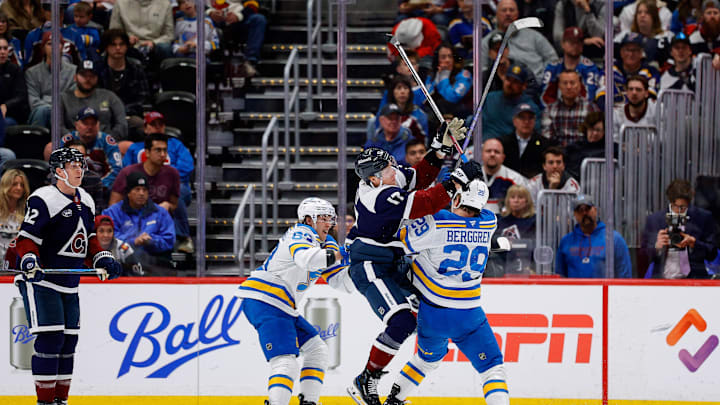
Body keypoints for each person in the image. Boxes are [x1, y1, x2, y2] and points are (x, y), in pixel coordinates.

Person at [346, 123, 483, 405]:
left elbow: (419, 177)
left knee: (424, 320)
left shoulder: (387, 180)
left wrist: (440, 147)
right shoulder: (378, 197)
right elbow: (425, 202)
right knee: (401, 320)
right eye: (386, 169)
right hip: (371, 264)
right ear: (373, 178)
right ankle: (366, 379)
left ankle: (396, 393)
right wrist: (458, 179)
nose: (394, 170)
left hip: (393, 263)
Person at [7, 147, 122, 405]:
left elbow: (88, 238)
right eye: (72, 165)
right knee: (51, 339)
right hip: (42, 282)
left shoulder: (87, 200)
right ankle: (45, 402)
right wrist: (29, 258)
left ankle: (61, 400)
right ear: (59, 170)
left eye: (80, 165)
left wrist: (102, 257)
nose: (79, 169)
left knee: (68, 343)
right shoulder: (43, 198)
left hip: (70, 283)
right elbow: (26, 239)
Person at [383, 179, 510, 405]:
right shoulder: (489, 222)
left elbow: (402, 240)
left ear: (458, 198)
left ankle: (394, 400)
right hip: (469, 313)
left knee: (426, 361)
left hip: (433, 313)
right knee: (492, 369)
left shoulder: (438, 221)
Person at [238, 198, 352, 405]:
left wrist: (364, 267)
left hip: (282, 306)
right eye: (324, 218)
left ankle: (308, 401)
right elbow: (307, 259)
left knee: (317, 350)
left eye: (331, 218)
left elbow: (341, 283)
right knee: (285, 362)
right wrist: (343, 253)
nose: (329, 223)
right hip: (266, 299)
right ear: (309, 219)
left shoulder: (326, 244)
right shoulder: (301, 232)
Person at [110, 133, 193, 254]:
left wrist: (168, 206)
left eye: (165, 150)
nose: (163, 154)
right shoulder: (128, 172)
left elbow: (175, 203)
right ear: (147, 153)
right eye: (158, 150)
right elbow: (113, 206)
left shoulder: (172, 173)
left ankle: (183, 238)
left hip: (157, 226)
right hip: (130, 224)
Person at [642, 179, 718, 278]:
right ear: (670, 201)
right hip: (662, 281)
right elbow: (642, 258)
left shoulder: (703, 218)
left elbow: (713, 254)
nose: (678, 211)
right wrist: (656, 247)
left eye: (683, 207)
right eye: (675, 206)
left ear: (689, 202)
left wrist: (694, 243)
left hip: (694, 280)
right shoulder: (655, 220)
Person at [102, 171, 175, 268]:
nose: (141, 193)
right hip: (122, 263)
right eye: (137, 189)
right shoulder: (111, 213)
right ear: (128, 193)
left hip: (154, 262)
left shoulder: (160, 213)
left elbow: (169, 240)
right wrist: (134, 241)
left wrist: (152, 241)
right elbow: (107, 239)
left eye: (144, 190)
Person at [122, 111, 194, 206]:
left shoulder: (176, 145)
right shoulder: (135, 148)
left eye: (161, 124)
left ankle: (178, 221)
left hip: (172, 185)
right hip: (143, 186)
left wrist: (163, 178)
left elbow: (186, 167)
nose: (158, 127)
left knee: (178, 191)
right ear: (145, 128)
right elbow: (126, 171)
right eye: (153, 124)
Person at [47, 107, 122, 193]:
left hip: (101, 188)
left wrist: (97, 185)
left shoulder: (107, 142)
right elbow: (58, 166)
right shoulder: (67, 141)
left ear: (98, 125)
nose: (89, 127)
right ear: (76, 125)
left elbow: (116, 170)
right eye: (85, 123)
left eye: (93, 123)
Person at [555, 194, 632, 278]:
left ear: (595, 210)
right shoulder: (566, 242)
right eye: (580, 210)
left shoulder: (614, 239)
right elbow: (560, 276)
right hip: (574, 291)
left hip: (604, 291)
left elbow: (624, 276)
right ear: (575, 215)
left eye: (587, 209)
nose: (584, 213)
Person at [481, 0, 558, 81]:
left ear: (517, 14)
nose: (508, 14)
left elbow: (553, 60)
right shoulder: (486, 42)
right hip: (504, 88)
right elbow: (483, 71)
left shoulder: (534, 36)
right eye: (504, 10)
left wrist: (542, 79)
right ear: (496, 14)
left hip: (537, 84)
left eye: (512, 10)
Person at [61, 59, 128, 142]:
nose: (88, 79)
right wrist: (74, 140)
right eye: (83, 75)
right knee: (50, 148)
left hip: (105, 143)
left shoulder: (109, 96)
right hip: (73, 143)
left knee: (126, 145)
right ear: (75, 77)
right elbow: (58, 126)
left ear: (97, 78)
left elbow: (122, 124)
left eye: (92, 75)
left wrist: (107, 140)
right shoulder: (63, 98)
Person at [97, 29, 150, 124]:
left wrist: (122, 111)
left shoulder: (136, 68)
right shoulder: (98, 68)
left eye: (121, 44)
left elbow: (143, 98)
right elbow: (94, 97)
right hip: (102, 115)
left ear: (127, 47)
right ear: (106, 47)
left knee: (139, 124)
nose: (118, 48)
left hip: (130, 114)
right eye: (113, 45)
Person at [596, 33, 660, 109]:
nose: (631, 54)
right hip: (613, 114)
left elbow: (650, 98)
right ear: (621, 52)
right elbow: (601, 96)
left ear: (641, 53)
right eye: (627, 50)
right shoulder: (609, 70)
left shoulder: (651, 72)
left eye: (635, 50)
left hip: (640, 115)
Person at [24, 32, 76, 128]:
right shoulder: (32, 73)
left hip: (65, 114)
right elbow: (34, 102)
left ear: (62, 47)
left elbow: (71, 100)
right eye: (49, 44)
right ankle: (35, 142)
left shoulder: (74, 71)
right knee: (41, 111)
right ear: (43, 48)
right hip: (41, 113)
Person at [541, 27, 603, 106]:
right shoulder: (552, 67)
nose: (575, 45)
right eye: (571, 42)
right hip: (554, 112)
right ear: (562, 44)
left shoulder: (590, 68)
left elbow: (590, 97)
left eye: (579, 42)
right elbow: (544, 97)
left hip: (581, 112)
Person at [482, 63, 541, 139]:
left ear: (524, 86)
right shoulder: (490, 98)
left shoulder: (530, 108)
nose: (509, 84)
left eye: (515, 81)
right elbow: (476, 120)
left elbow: (533, 136)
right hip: (483, 144)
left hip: (510, 148)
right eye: (508, 79)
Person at [541, 69, 600, 147]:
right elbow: (547, 138)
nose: (568, 87)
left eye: (572, 83)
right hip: (559, 154)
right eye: (565, 83)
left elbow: (595, 137)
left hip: (583, 152)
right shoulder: (549, 110)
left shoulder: (591, 108)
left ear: (579, 85)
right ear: (559, 86)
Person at [109, 0, 174, 64]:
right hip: (129, 44)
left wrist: (154, 42)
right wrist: (126, 39)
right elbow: (114, 32)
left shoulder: (165, 4)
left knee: (165, 48)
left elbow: (169, 34)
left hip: (155, 44)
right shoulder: (120, 3)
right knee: (117, 47)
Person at [499, 103, 553, 179]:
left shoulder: (545, 144)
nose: (526, 122)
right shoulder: (503, 143)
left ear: (535, 121)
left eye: (530, 118)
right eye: (522, 118)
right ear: (514, 121)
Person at [614, 0, 674, 65]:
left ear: (654, 17)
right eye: (639, 12)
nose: (642, 15)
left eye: (647, 13)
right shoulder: (625, 36)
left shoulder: (666, 37)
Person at [480, 138, 529, 214]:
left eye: (497, 152)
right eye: (488, 151)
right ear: (482, 155)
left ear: (503, 157)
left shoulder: (516, 179)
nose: (492, 154)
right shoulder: (471, 178)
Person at [424, 43, 473, 120]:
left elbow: (452, 98)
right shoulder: (432, 75)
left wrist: (444, 75)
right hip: (435, 116)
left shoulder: (464, 75)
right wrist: (437, 77)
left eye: (450, 56)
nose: (447, 60)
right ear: (437, 60)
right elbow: (426, 99)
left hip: (459, 116)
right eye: (443, 57)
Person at [374, 76, 429, 143]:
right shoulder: (382, 113)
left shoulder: (420, 114)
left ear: (410, 92)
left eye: (405, 88)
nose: (402, 92)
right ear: (393, 92)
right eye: (398, 88)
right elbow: (378, 137)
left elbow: (424, 140)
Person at [565, 111, 615, 180]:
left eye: (598, 130)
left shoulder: (612, 148)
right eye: (591, 129)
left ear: (604, 131)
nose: (594, 133)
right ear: (586, 129)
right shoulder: (573, 148)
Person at [612, 75, 657, 140]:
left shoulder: (657, 109)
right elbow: (614, 140)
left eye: (638, 89)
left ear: (646, 93)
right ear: (626, 92)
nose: (634, 93)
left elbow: (663, 138)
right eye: (630, 89)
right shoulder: (617, 113)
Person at [0, 169, 29, 260]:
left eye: (22, 185)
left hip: (16, 264)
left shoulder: (28, 212)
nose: (19, 188)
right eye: (14, 184)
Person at [0, 36, 28, 126]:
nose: (3, 52)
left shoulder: (15, 70)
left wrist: (6, 105)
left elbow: (21, 96)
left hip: (11, 115)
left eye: (5, 48)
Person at [687, 0, 720, 70]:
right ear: (703, 16)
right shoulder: (693, 38)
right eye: (709, 13)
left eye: (715, 13)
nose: (712, 16)